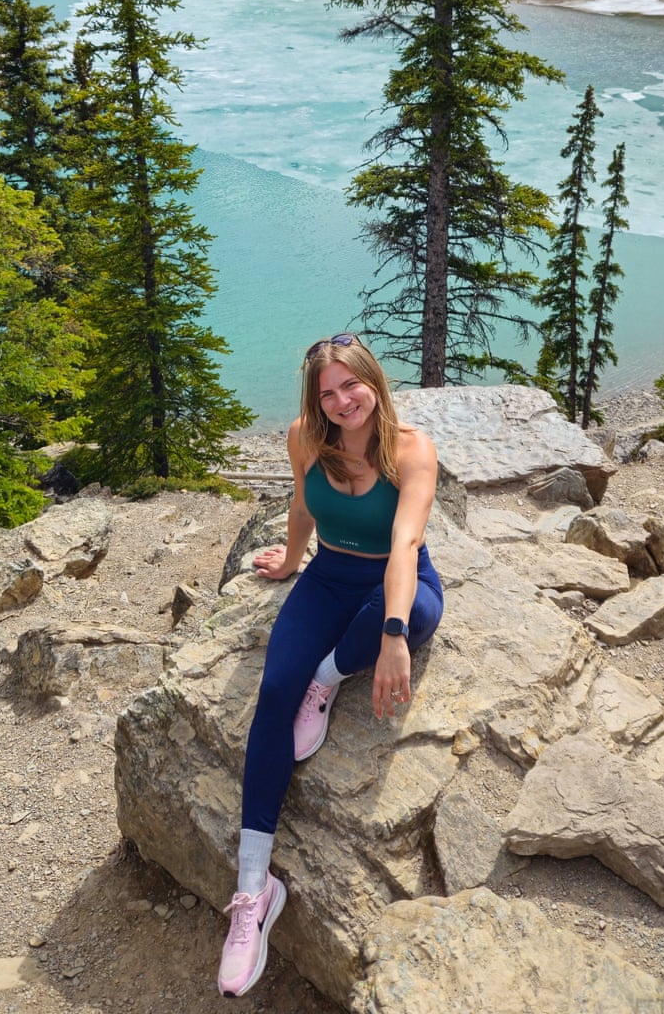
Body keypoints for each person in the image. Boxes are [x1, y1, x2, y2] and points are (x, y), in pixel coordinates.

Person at [216, 333, 443, 998]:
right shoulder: (305, 438)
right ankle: (254, 893)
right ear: (315, 401)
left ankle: (331, 674)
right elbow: (301, 503)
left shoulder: (411, 449)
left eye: (352, 384)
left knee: (412, 617)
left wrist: (393, 636)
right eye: (328, 392)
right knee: (274, 691)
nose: (343, 401)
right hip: (329, 577)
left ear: (374, 380)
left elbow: (405, 544)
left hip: (394, 583)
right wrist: (289, 559)